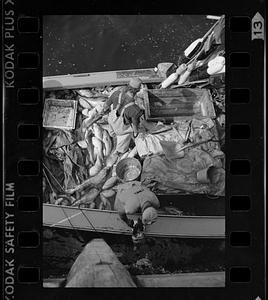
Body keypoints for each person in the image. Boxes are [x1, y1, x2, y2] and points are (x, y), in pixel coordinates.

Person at [104, 78, 144, 154]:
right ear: (137, 90)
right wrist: (135, 134)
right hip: (120, 128)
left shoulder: (116, 93)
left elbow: (105, 106)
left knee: (112, 131)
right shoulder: (135, 109)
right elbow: (135, 126)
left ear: (128, 85)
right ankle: (119, 151)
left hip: (111, 120)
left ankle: (112, 135)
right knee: (123, 141)